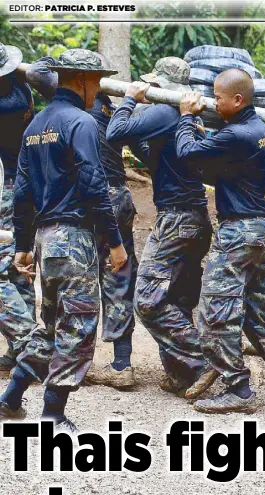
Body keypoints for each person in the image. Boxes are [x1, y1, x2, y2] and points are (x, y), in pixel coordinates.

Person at [0, 49, 128, 432]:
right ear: (83, 80)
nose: (99, 88)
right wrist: (116, 241)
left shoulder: (35, 124)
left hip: (44, 240)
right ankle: (53, 413)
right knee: (80, 326)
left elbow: (21, 193)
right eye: (98, 81)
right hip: (74, 241)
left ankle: (11, 397)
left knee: (51, 325)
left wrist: (23, 245)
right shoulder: (81, 122)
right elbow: (94, 186)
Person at [175, 68, 265, 414]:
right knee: (257, 312)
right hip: (257, 229)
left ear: (237, 100)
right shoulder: (259, 129)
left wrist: (185, 118)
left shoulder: (236, 134)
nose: (213, 102)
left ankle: (237, 388)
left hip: (238, 232)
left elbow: (186, 154)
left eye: (218, 97)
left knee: (214, 312)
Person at [29, 51, 142, 390]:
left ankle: (56, 358)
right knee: (118, 275)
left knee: (74, 277)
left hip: (89, 197)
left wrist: (55, 60)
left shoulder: (71, 106)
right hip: (119, 193)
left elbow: (36, 71)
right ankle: (122, 364)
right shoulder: (104, 98)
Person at [106, 57, 214, 400]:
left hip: (177, 219)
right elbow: (148, 150)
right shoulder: (184, 118)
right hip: (195, 217)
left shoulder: (167, 111)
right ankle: (183, 375)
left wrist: (129, 100)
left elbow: (114, 134)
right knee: (179, 299)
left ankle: (202, 359)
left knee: (148, 300)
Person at [0, 44, 54, 375]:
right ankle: (22, 349)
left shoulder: (10, 102)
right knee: (17, 267)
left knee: (3, 268)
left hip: (11, 191)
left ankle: (26, 345)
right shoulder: (20, 86)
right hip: (25, 186)